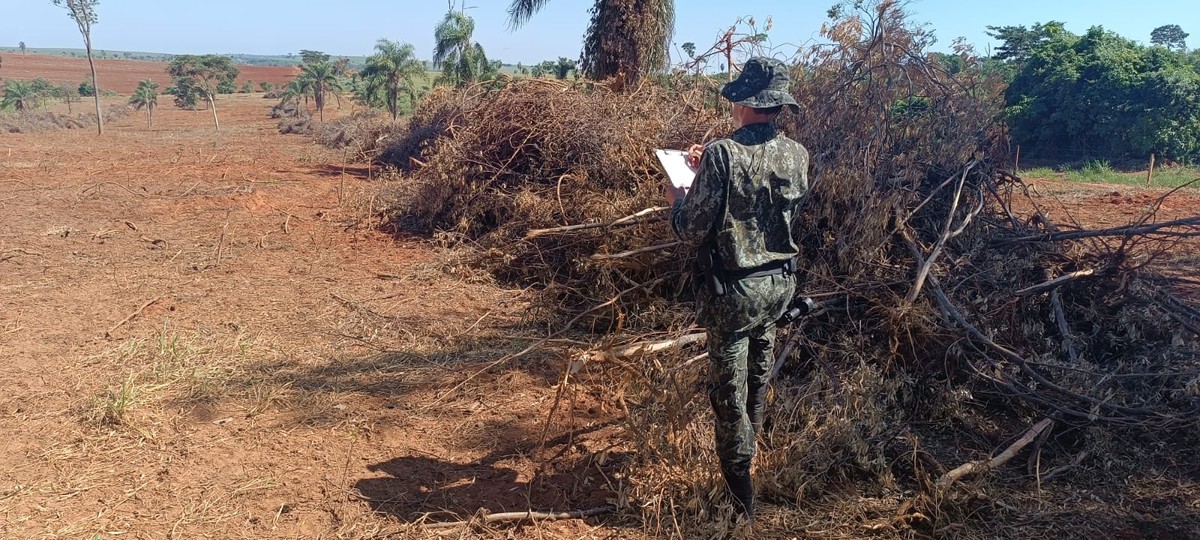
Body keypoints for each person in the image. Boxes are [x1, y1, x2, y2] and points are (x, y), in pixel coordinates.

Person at [666, 56, 810, 525]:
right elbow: (765, 198)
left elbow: (690, 228)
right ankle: (751, 452)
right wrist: (708, 164)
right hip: (780, 286)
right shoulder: (798, 154)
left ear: (745, 102)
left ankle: (740, 504)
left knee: (727, 395)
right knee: (757, 377)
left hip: (733, 294)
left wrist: (679, 194)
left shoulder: (724, 155)